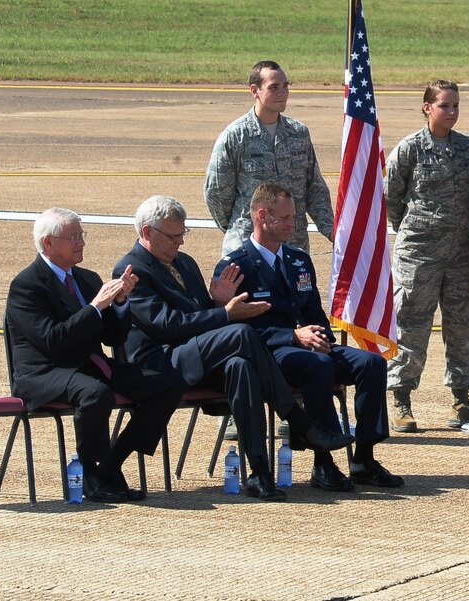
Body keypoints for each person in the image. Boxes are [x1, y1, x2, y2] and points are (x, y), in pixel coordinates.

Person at [113, 195, 354, 501]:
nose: (180, 243)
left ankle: (259, 472)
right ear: (147, 233)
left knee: (240, 366)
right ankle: (298, 420)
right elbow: (167, 325)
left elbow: (200, 316)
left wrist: (218, 303)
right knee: (240, 332)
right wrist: (225, 313)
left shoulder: (183, 264)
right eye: (173, 237)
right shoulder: (132, 269)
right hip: (161, 361)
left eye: (182, 235)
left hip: (197, 355)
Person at [217, 183, 404, 491]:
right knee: (318, 367)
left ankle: (364, 458)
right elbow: (238, 330)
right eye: (287, 217)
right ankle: (323, 463)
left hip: (311, 344)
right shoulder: (236, 266)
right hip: (272, 352)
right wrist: (292, 336)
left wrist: (321, 336)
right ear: (263, 216)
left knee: (372, 363)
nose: (294, 223)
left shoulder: (298, 260)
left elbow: (314, 309)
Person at [6, 207, 184, 503]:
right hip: (44, 372)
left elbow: (113, 337)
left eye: (81, 235)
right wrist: (94, 308)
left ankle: (111, 464)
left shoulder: (86, 279)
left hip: (88, 367)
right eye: (73, 237)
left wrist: (120, 303)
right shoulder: (27, 285)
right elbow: (53, 341)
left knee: (169, 384)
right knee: (95, 394)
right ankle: (89, 474)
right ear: (48, 243)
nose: (81, 243)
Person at [384, 80, 469, 432]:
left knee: (462, 327)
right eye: (444, 106)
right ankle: (401, 401)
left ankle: (461, 401)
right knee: (411, 327)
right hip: (418, 254)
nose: (451, 112)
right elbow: (391, 199)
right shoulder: (410, 149)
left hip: (461, 253)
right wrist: (415, 229)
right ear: (427, 108)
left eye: (455, 106)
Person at [204, 60, 334, 255]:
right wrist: (240, 227)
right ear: (255, 90)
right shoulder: (236, 137)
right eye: (274, 87)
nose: (282, 93)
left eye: (285, 86)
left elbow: (315, 189)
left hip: (293, 248)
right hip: (249, 249)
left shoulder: (299, 133)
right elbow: (216, 193)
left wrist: (330, 230)